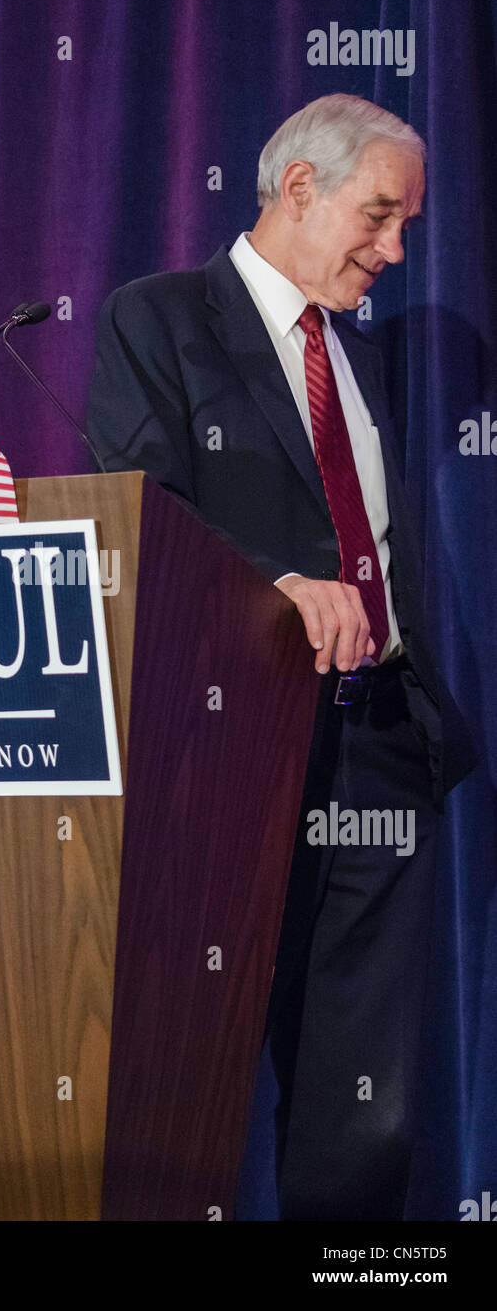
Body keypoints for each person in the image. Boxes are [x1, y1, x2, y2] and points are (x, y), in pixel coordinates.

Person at [86, 93, 476, 1221]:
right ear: (299, 186)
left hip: (378, 745)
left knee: (362, 1100)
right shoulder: (157, 319)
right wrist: (276, 589)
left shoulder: (352, 356)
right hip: (230, 755)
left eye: (406, 226)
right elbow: (139, 512)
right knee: (177, 1083)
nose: (395, 251)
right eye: (381, 215)